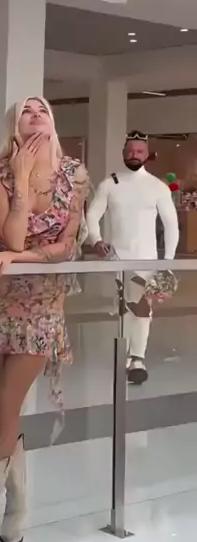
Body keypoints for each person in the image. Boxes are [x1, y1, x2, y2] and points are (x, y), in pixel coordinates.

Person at [0, 97, 90, 542]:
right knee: (3, 408)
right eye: (26, 111)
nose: (35, 115)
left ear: (52, 121)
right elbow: (11, 236)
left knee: (7, 404)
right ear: (14, 125)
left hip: (43, 301)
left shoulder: (74, 174)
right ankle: (17, 506)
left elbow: (65, 246)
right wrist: (22, 181)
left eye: (42, 110)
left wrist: (18, 257)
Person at [86, 130, 179, 385]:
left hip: (146, 260)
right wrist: (96, 240)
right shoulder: (109, 184)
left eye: (139, 151)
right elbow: (92, 215)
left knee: (141, 307)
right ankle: (129, 355)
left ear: (147, 154)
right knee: (125, 308)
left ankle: (137, 357)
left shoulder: (157, 187)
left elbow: (171, 224)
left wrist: (167, 262)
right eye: (129, 151)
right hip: (117, 259)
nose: (134, 155)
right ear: (123, 153)